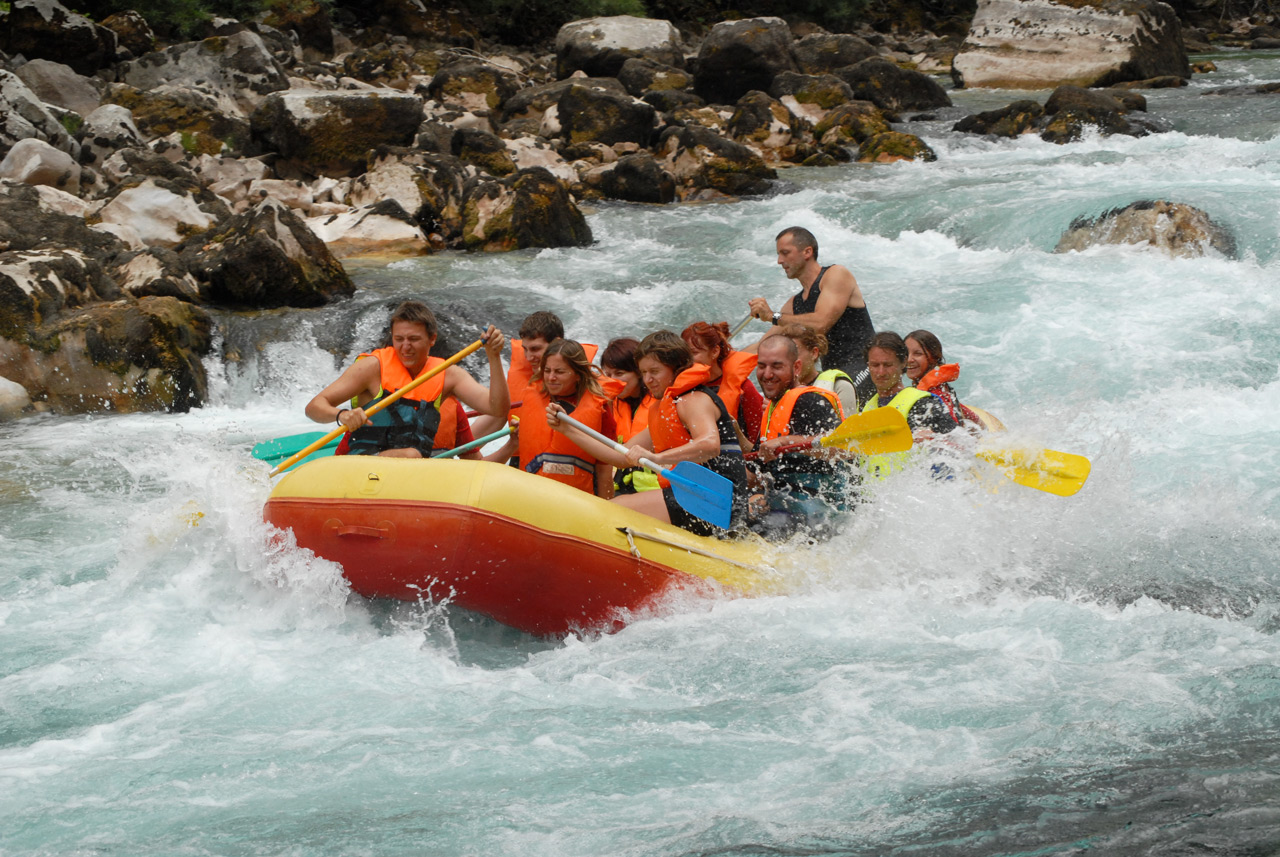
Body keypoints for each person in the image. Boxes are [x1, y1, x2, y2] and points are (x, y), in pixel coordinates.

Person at [549, 330, 747, 537]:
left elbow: (710, 445)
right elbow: (621, 457)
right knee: (614, 505)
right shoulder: (667, 410)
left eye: (654, 371)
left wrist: (657, 457)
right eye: (643, 373)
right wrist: (567, 429)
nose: (648, 380)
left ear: (677, 368)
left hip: (717, 502)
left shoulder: (694, 399)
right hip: (695, 496)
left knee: (613, 509)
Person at [304, 301, 507, 457]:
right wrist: (341, 415)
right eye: (399, 339)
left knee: (415, 456)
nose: (405, 347)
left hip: (410, 473)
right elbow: (314, 407)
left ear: (432, 339)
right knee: (412, 455)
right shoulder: (371, 367)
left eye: (414, 339)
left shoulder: (448, 374)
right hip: (363, 465)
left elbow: (497, 408)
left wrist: (494, 356)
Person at [745, 225, 876, 406]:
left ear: (807, 252)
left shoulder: (836, 275)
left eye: (785, 253)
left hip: (866, 367)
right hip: (832, 375)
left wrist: (772, 315)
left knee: (826, 402)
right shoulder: (794, 304)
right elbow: (762, 346)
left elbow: (821, 322)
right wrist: (720, 358)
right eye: (778, 254)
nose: (779, 261)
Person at [750, 335, 851, 540]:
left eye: (776, 366)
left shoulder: (810, 400)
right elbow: (753, 471)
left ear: (796, 367)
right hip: (785, 507)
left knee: (753, 526)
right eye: (762, 366)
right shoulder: (772, 410)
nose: (767, 374)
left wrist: (786, 441)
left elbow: (843, 449)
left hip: (822, 515)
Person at [487, 339, 615, 496]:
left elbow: (604, 469)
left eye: (560, 372)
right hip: (532, 494)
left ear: (578, 375)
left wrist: (606, 505)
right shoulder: (532, 396)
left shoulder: (599, 406)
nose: (551, 377)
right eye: (547, 370)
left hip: (578, 498)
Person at [472, 310, 599, 438]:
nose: (528, 357)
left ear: (557, 343)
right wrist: (493, 355)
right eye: (525, 349)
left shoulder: (590, 388)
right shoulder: (519, 385)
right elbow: (470, 439)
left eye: (535, 349)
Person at [862, 331, 958, 477]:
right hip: (875, 496)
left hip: (912, 495)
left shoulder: (924, 404)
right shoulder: (868, 406)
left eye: (888, 365)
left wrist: (934, 439)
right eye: (875, 365)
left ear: (903, 363)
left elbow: (959, 446)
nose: (880, 372)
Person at [681, 321, 764, 442]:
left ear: (715, 352)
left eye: (694, 353)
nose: (688, 360)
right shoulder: (681, 389)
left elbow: (757, 438)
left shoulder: (744, 388)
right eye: (684, 354)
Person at [598, 337, 658, 495]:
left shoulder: (661, 402)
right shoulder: (606, 403)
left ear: (639, 373)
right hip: (620, 485)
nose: (612, 380)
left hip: (654, 489)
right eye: (608, 374)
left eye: (619, 373)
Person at [778, 322, 862, 417]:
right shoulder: (778, 393)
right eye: (785, 355)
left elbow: (847, 430)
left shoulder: (839, 386)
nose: (791, 361)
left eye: (795, 353)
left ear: (814, 353)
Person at [905, 329, 981, 427]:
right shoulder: (940, 387)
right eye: (906, 353)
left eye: (918, 354)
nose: (909, 359)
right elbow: (960, 410)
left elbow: (951, 431)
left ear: (934, 357)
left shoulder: (933, 394)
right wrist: (979, 423)